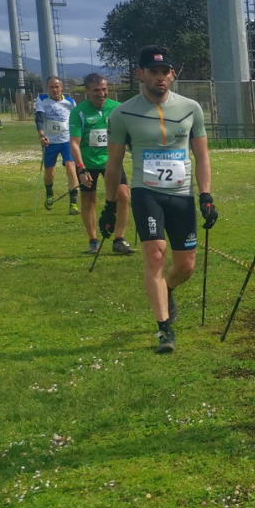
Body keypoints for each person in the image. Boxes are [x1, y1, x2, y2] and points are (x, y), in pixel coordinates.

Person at [101, 46, 215, 354]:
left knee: (186, 266)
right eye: (153, 72)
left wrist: (206, 195)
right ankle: (164, 330)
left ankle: (168, 289)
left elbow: (202, 156)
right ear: (141, 74)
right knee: (154, 255)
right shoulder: (122, 113)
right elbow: (113, 164)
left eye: (165, 72)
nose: (160, 77)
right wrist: (110, 205)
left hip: (181, 194)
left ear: (172, 74)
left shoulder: (191, 108)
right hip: (145, 191)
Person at [70, 73, 134, 256]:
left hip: (112, 162)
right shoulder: (78, 112)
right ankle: (93, 241)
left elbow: (128, 135)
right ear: (87, 91)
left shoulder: (117, 109)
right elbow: (74, 142)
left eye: (104, 89)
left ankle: (119, 240)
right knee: (89, 200)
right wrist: (80, 168)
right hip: (87, 162)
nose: (101, 93)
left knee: (123, 195)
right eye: (96, 90)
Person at [36, 76, 79, 213]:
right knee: (50, 172)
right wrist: (42, 136)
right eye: (51, 87)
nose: (54, 89)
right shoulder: (42, 100)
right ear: (47, 88)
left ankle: (73, 204)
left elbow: (76, 120)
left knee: (71, 167)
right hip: (50, 141)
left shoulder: (70, 102)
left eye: (57, 86)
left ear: (61, 87)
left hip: (66, 140)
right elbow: (39, 119)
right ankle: (49, 193)